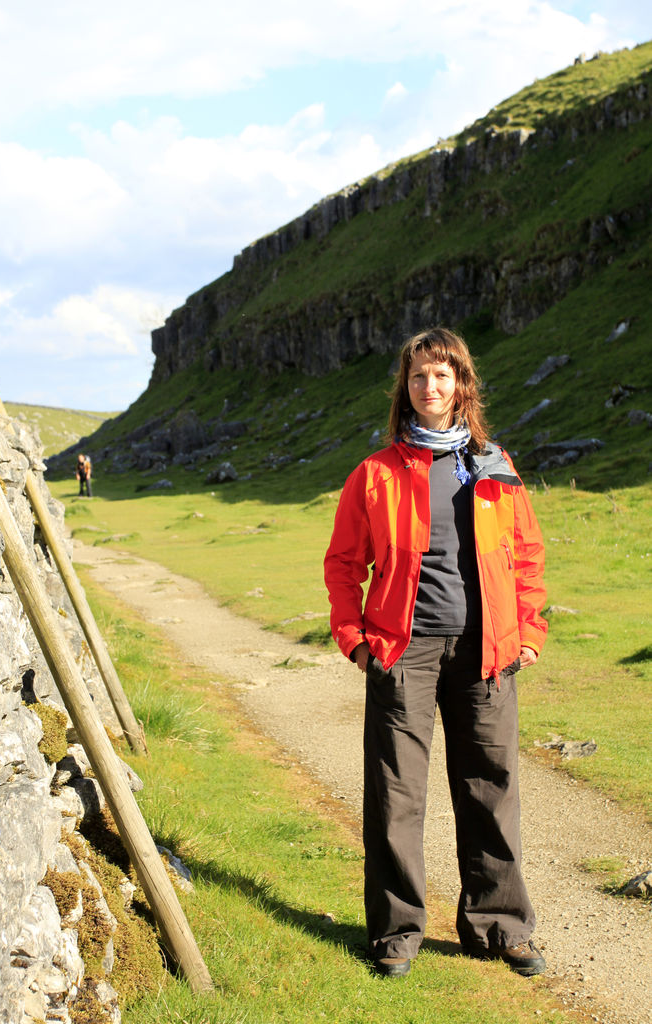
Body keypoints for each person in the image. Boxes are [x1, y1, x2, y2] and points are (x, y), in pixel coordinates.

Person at [324, 326, 548, 979]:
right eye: (419, 376)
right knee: (396, 794)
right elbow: (343, 565)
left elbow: (526, 556)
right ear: (407, 388)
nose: (430, 387)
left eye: (442, 375)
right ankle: (396, 933)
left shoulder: (494, 466)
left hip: (488, 653)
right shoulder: (375, 474)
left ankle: (499, 926)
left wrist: (528, 632)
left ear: (461, 385)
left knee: (490, 787)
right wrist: (354, 639)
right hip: (403, 652)